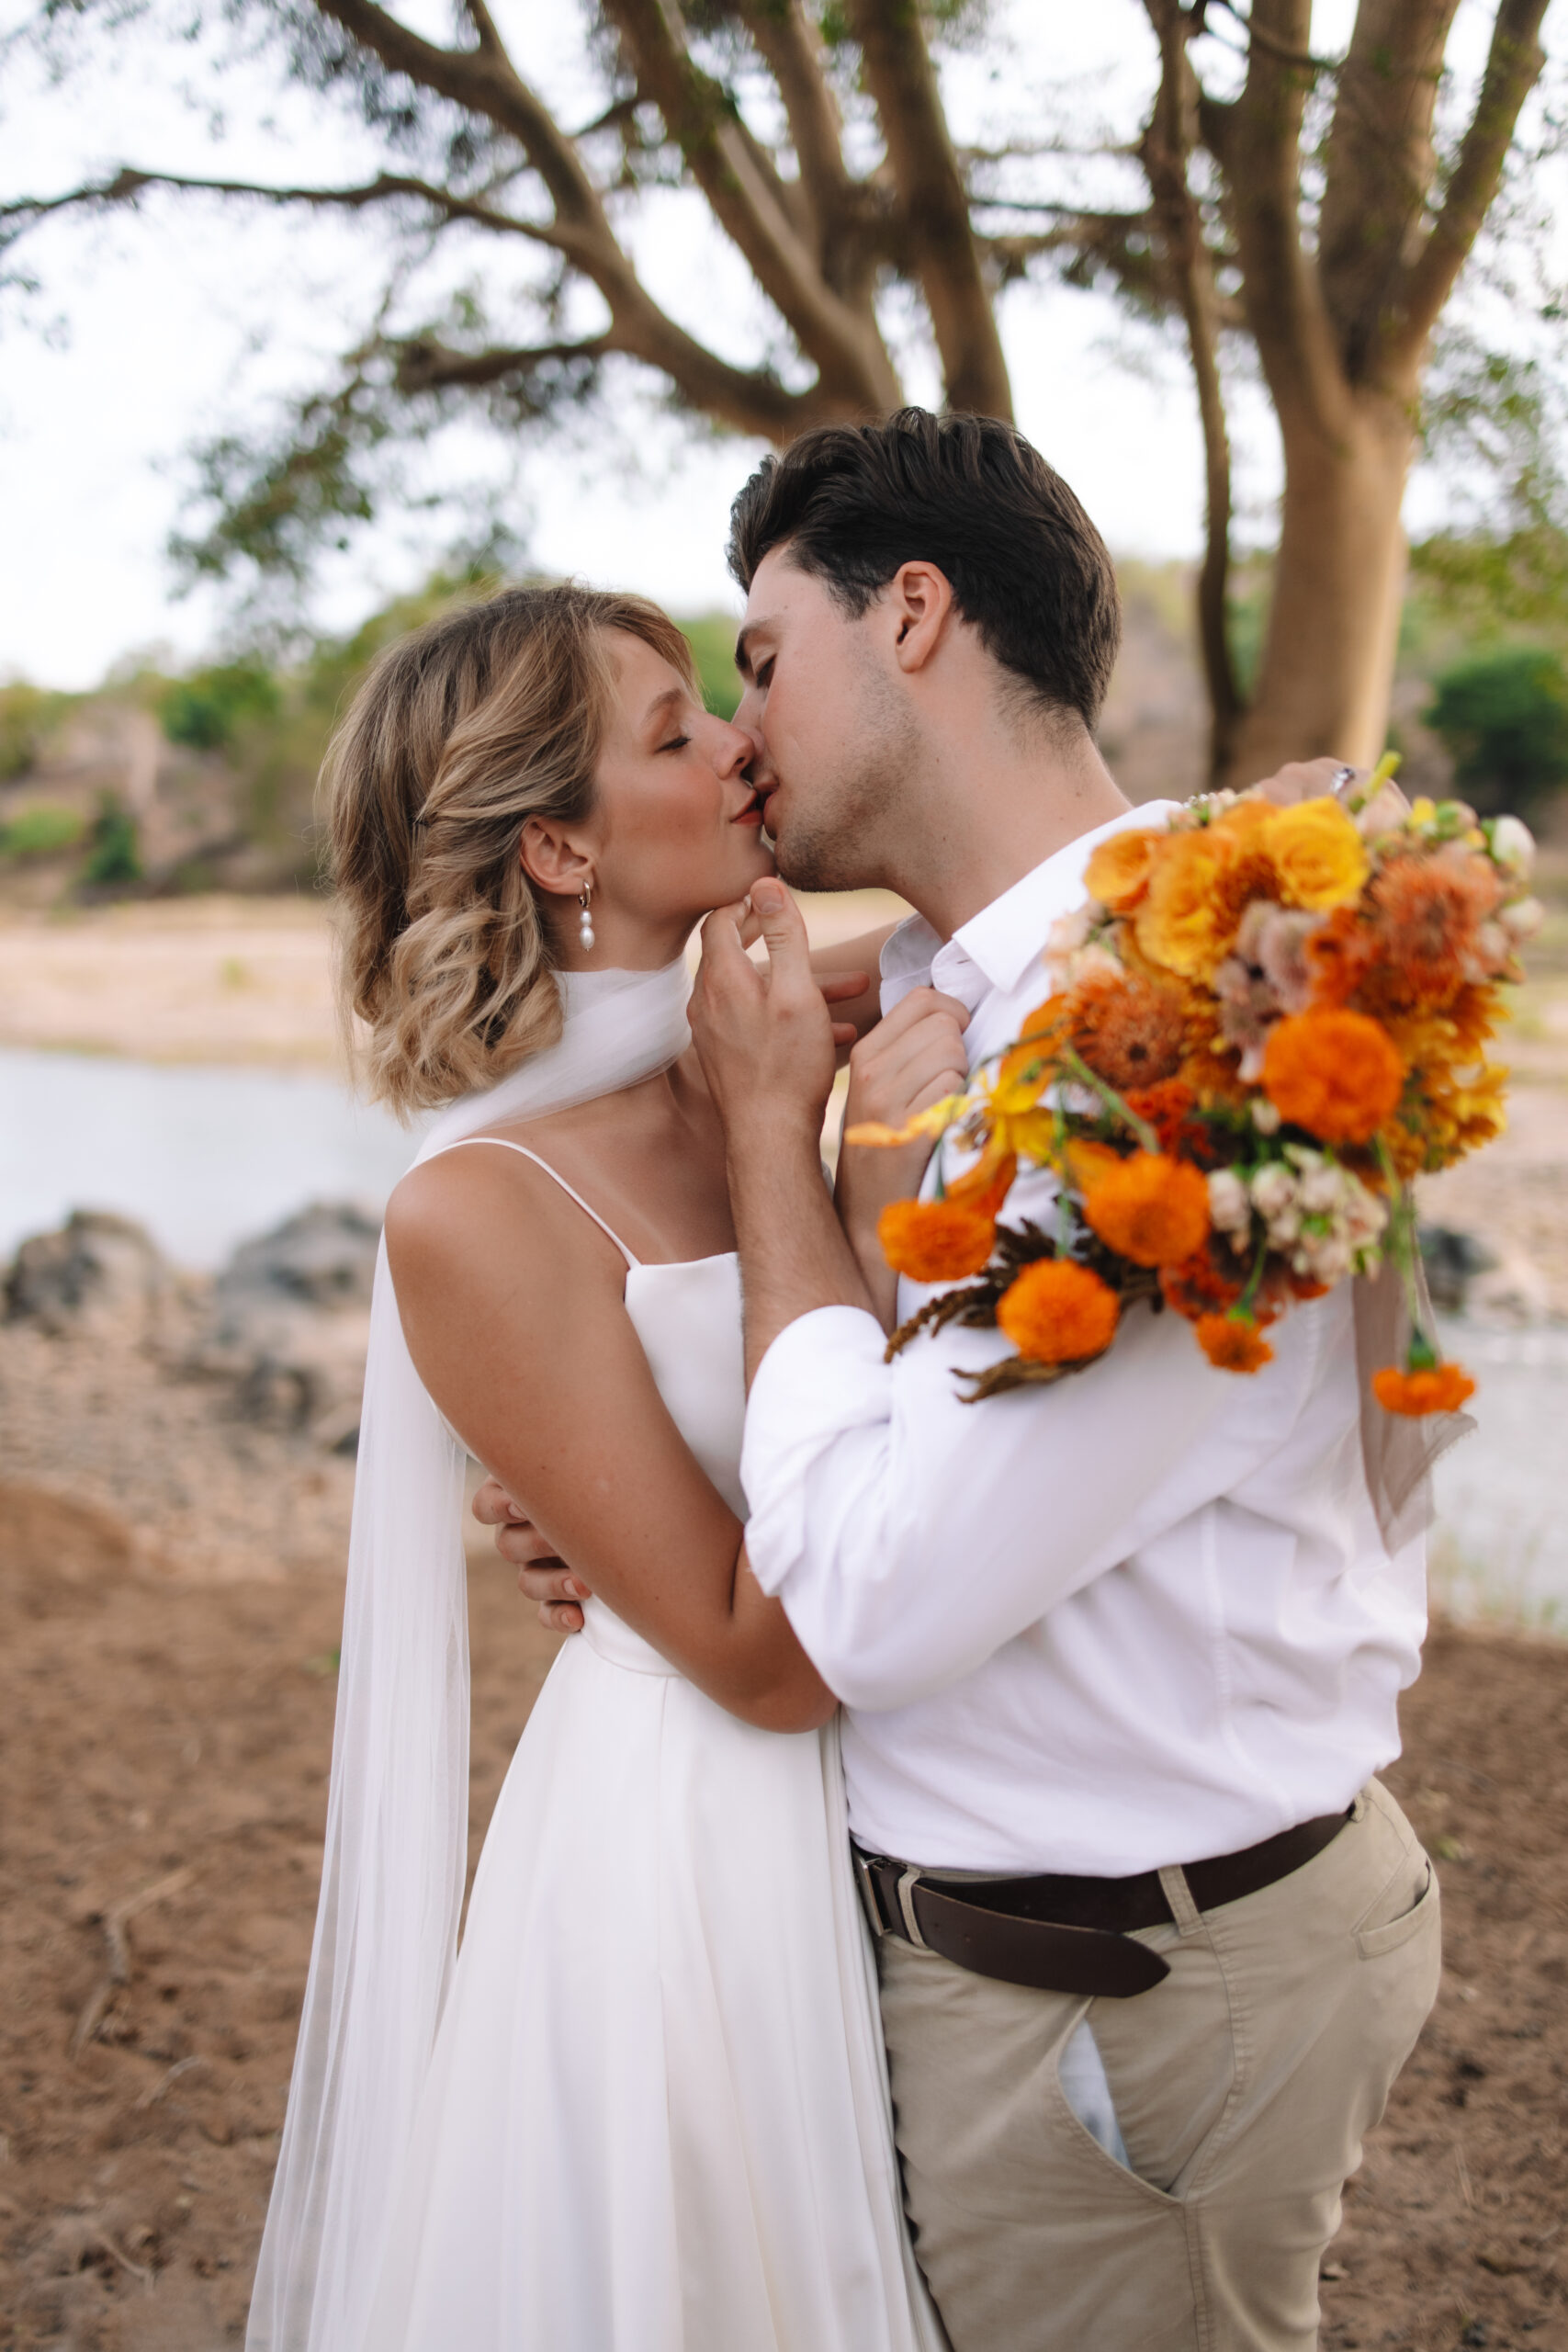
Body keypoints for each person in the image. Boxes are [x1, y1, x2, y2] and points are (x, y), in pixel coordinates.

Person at [502, 411, 1446, 2352]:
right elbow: (909, 1433)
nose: (739, 736)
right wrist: (650, 1486)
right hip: (981, 1956)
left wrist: (782, 1146)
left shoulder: (1170, 1056)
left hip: (1125, 1997)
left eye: (759, 661)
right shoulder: (982, 990)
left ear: (910, 613)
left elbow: (853, 1590)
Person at [245, 582, 947, 2352]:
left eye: (719, 703)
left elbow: (1037, 924)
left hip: (915, 1823)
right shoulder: (482, 1210)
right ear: (559, 845)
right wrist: (857, 1221)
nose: (739, 744)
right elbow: (752, 1652)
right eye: (673, 733)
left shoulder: (772, 1047)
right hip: (691, 1865)